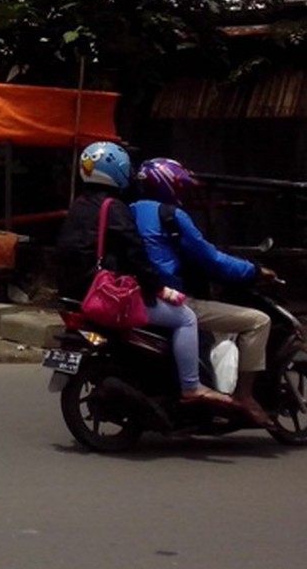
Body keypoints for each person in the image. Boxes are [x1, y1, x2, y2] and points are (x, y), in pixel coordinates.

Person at [56, 141, 235, 409]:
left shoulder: (79, 206)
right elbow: (135, 255)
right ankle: (191, 387)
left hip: (76, 293)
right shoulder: (114, 208)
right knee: (186, 318)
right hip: (105, 295)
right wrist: (158, 288)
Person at [132, 158, 274, 424]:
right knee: (258, 321)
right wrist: (254, 271)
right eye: (181, 188)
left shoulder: (128, 211)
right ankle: (244, 395)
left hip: (138, 294)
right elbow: (212, 260)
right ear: (169, 186)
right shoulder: (172, 216)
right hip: (173, 298)